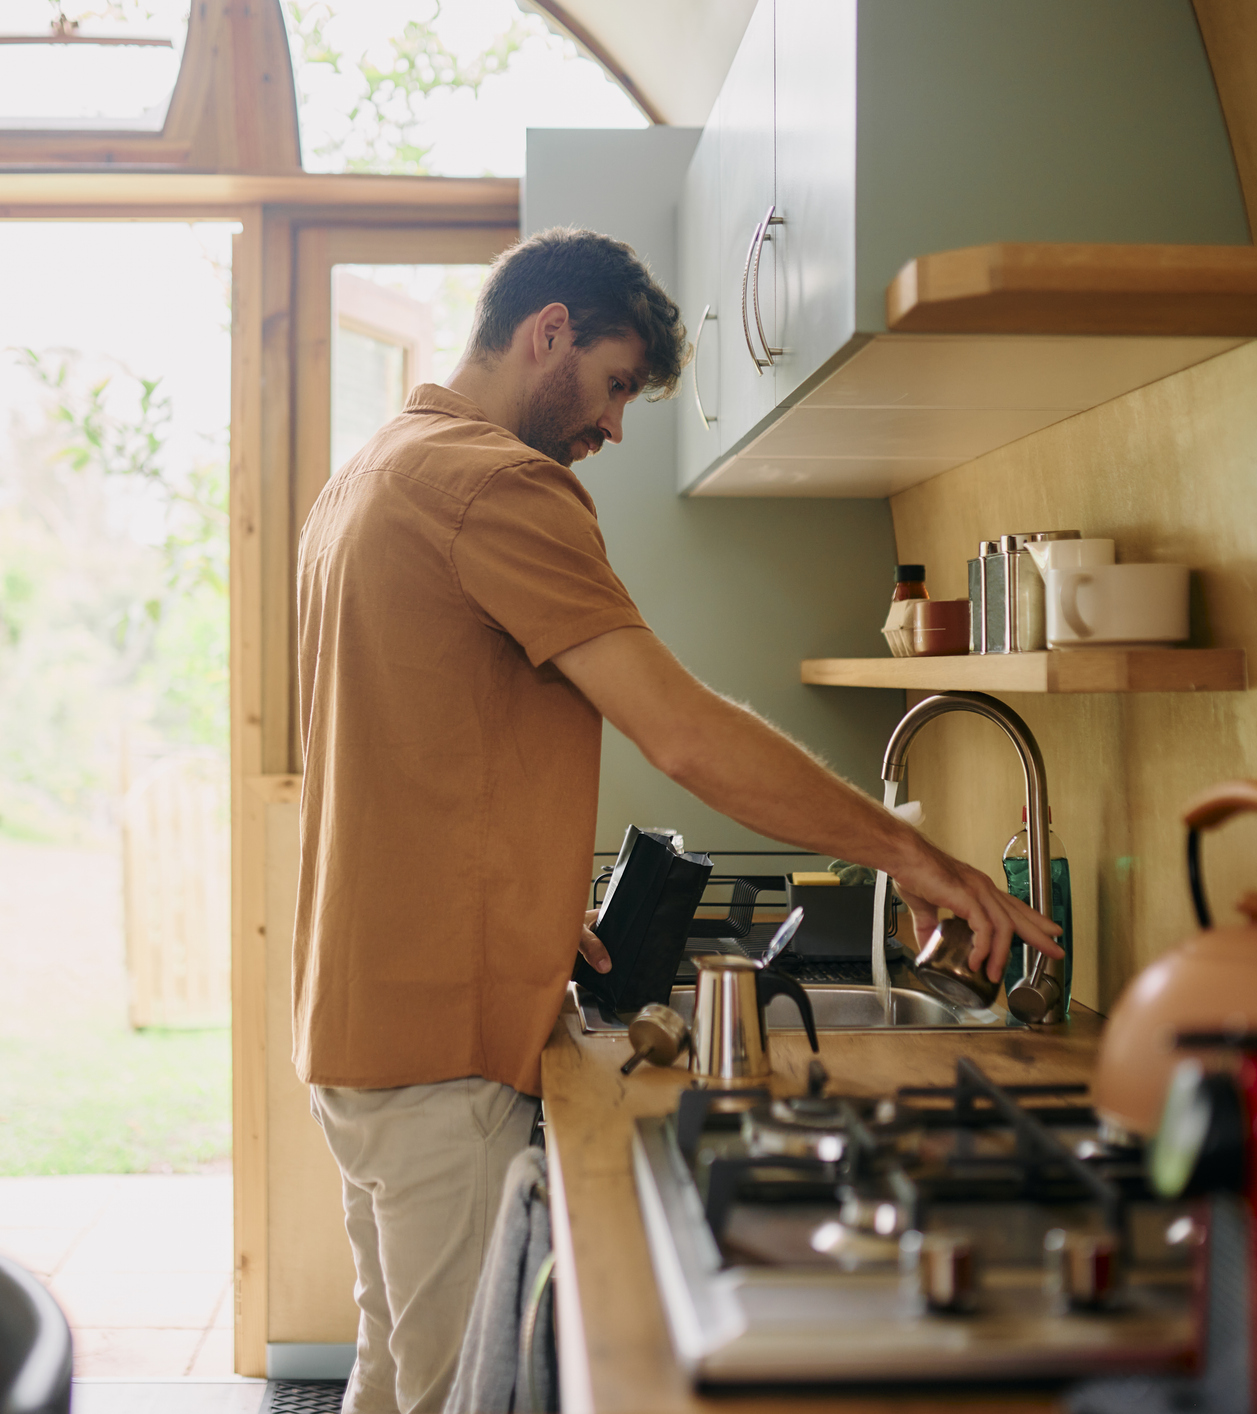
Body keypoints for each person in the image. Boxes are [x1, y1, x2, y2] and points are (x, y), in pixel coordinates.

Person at [294, 227, 1060, 1413]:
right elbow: (686, 733)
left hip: (357, 1025)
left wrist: (522, 905)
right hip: (439, 1054)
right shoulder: (499, 482)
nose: (606, 431)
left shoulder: (370, 473)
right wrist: (915, 853)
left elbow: (411, 757)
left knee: (396, 1376)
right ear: (547, 328)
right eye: (608, 386)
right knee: (456, 1398)